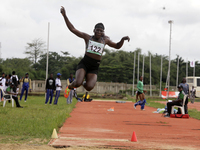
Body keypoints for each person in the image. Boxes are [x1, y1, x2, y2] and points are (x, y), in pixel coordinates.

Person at [60, 6, 130, 98]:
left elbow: (117, 46)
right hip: (84, 64)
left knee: (89, 87)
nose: (99, 32)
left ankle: (84, 82)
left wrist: (122, 39)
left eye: (101, 31)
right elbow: (73, 29)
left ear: (103, 32)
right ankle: (69, 87)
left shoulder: (105, 41)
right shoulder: (88, 38)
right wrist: (65, 16)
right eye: (97, 30)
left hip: (94, 66)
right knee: (77, 83)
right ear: (94, 30)